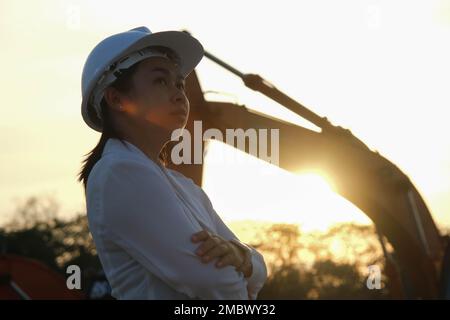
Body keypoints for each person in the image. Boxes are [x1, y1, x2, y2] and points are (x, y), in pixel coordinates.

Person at [77, 26, 267, 299]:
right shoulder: (118, 171)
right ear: (117, 98)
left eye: (180, 83)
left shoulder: (183, 185)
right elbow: (210, 279)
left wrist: (242, 256)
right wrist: (244, 272)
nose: (180, 94)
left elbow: (258, 268)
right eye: (161, 81)